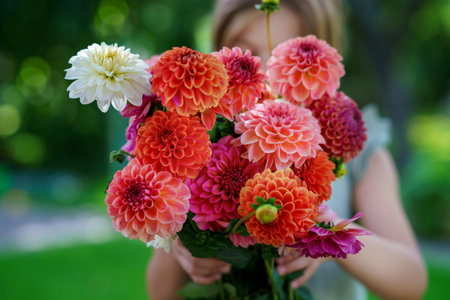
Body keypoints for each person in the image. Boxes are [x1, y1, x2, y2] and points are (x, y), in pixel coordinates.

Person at [146, 1, 428, 299]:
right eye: (250, 53)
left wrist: (331, 235)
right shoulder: (200, 144)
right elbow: (158, 292)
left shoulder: (360, 153)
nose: (268, 73)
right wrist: (184, 246)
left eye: (289, 56)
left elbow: (411, 281)